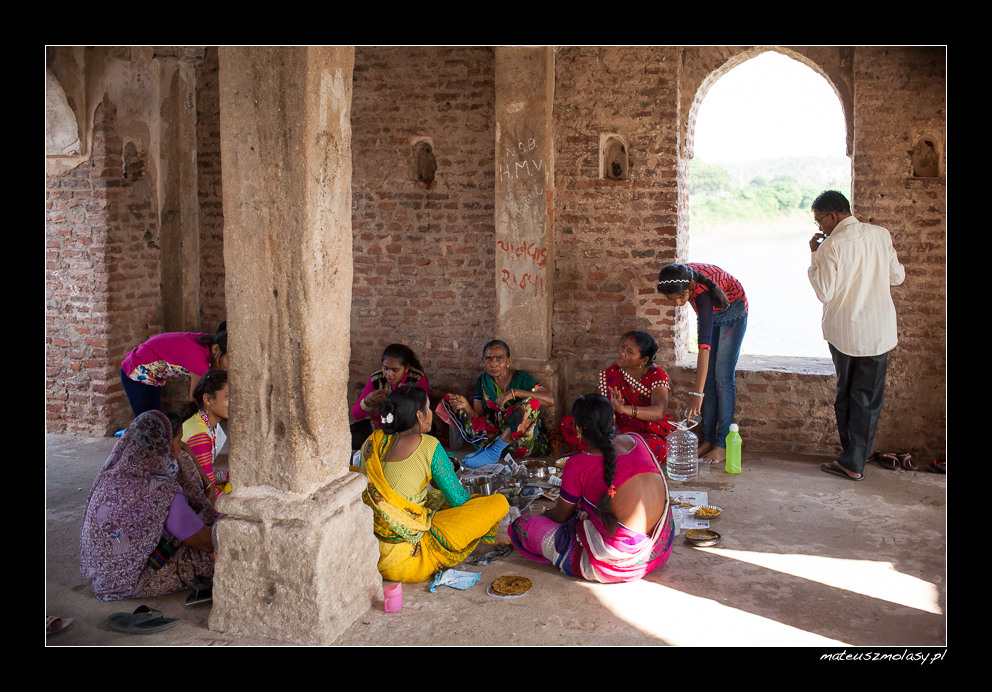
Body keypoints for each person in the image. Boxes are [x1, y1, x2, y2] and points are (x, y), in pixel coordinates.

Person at [511, 394, 675, 583]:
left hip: (617, 564)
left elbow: (561, 516)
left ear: (578, 430)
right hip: (658, 551)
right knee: (587, 507)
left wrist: (544, 516)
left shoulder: (578, 463)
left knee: (523, 525)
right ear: (612, 420)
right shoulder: (637, 441)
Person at [356, 385, 509, 583]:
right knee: (497, 503)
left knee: (434, 499)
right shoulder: (428, 444)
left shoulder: (372, 442)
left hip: (371, 553)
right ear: (419, 415)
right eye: (428, 409)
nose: (431, 414)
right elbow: (459, 501)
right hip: (410, 560)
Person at [808, 190, 905, 481]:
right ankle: (854, 459)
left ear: (834, 216)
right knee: (868, 398)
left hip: (846, 332)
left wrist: (814, 254)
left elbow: (824, 292)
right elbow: (897, 277)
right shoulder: (880, 235)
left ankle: (851, 460)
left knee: (846, 396)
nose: (820, 227)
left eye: (820, 220)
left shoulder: (830, 247)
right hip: (878, 332)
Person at [79, 411, 216, 601]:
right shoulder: (161, 489)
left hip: (102, 573)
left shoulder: (111, 475)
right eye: (178, 441)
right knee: (218, 555)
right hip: (130, 582)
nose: (180, 448)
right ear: (165, 447)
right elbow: (206, 542)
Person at [657, 262, 747, 463]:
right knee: (709, 380)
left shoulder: (703, 295)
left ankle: (722, 445)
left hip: (733, 311)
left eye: (681, 298)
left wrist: (697, 396)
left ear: (689, 288)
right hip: (713, 310)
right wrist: (700, 391)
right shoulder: (678, 276)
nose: (679, 304)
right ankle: (707, 440)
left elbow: (703, 349)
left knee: (722, 377)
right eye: (674, 300)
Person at [559, 331, 674, 460]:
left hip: (646, 431)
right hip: (615, 428)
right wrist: (607, 410)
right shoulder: (612, 373)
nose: (622, 353)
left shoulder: (657, 374)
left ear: (644, 360)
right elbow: (596, 407)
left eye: (630, 352)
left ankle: (602, 454)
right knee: (570, 424)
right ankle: (611, 453)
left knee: (650, 446)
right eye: (622, 347)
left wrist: (624, 409)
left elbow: (659, 412)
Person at [440, 339, 554, 458]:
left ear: (508, 361)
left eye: (499, 359)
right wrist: (466, 407)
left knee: (531, 403)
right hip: (494, 435)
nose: (494, 364)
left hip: (521, 440)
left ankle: (496, 449)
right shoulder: (483, 381)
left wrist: (515, 392)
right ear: (483, 361)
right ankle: (495, 449)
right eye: (488, 359)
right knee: (452, 405)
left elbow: (550, 400)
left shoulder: (522, 378)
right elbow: (478, 417)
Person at [120, 324, 228, 417]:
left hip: (150, 377)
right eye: (228, 359)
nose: (230, 366)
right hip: (135, 372)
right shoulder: (200, 359)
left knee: (155, 420)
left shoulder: (206, 345)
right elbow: (195, 399)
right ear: (215, 349)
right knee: (147, 424)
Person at [351, 344, 430, 450]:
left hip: (407, 429)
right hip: (380, 427)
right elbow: (356, 414)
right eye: (385, 368)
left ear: (406, 368)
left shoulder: (417, 378)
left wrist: (408, 398)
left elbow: (423, 412)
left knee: (429, 431)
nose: (389, 374)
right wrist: (368, 402)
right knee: (350, 436)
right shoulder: (376, 379)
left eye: (395, 370)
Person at [181, 370, 229, 497]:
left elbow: (205, 472)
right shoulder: (200, 436)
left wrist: (230, 477)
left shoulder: (204, 424)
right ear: (208, 399)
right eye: (228, 396)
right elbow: (208, 490)